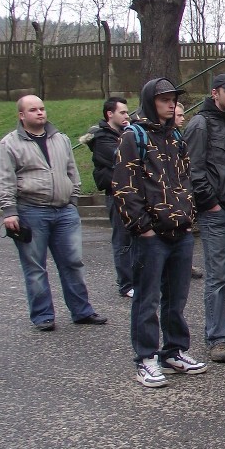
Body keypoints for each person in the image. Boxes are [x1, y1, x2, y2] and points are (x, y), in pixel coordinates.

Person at [112, 78, 206, 387]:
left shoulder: (175, 136)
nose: (171, 103)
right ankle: (146, 358)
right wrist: (144, 229)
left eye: (173, 98)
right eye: (164, 98)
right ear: (151, 100)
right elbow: (124, 187)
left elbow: (186, 177)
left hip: (180, 230)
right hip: (151, 236)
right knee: (147, 298)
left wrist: (188, 212)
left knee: (176, 297)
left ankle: (174, 351)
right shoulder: (133, 136)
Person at [0, 95, 104, 331]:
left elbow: (72, 171)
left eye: (42, 108)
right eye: (33, 110)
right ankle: (43, 315)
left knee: (73, 262)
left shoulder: (61, 139)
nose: (40, 113)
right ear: (21, 115)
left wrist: (73, 199)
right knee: (35, 267)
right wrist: (9, 212)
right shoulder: (9, 144)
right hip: (31, 210)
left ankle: (82, 311)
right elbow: (5, 179)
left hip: (64, 211)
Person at [183, 73, 225, 362]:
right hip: (215, 212)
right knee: (216, 276)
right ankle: (216, 337)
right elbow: (193, 169)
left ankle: (221, 325)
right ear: (215, 94)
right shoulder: (200, 125)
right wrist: (209, 204)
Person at [82, 96, 133, 298]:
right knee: (122, 239)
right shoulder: (102, 138)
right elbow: (123, 158)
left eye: (127, 112)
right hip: (117, 194)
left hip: (133, 193)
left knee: (137, 239)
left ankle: (137, 279)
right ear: (109, 114)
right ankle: (126, 283)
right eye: (122, 112)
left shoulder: (125, 132)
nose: (127, 116)